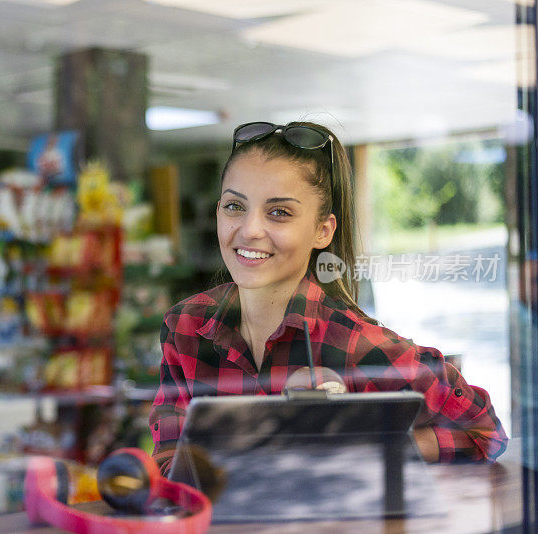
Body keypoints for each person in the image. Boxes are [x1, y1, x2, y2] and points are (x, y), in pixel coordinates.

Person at [149, 121, 508, 476]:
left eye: (279, 212)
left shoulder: (355, 343)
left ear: (323, 231)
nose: (250, 229)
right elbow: (170, 459)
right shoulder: (186, 326)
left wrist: (364, 449)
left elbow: (483, 433)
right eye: (234, 206)